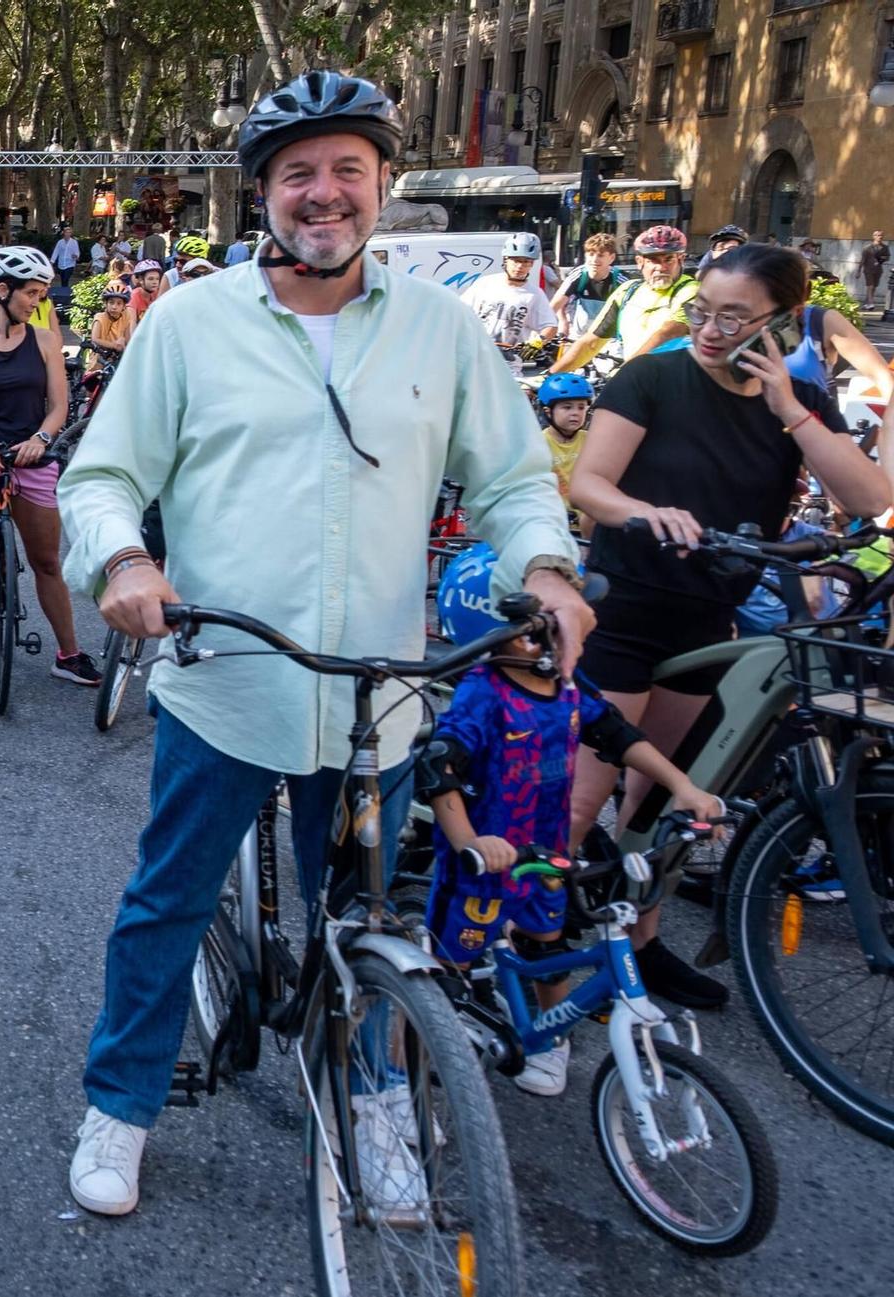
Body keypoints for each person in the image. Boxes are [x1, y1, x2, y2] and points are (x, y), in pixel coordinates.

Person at [55, 70, 586, 1217]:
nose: (323, 192)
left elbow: (508, 480)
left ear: (382, 184)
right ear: (263, 194)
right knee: (167, 901)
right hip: (224, 679)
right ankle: (121, 1104)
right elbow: (100, 477)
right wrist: (124, 563)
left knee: (369, 918)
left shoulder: (440, 329)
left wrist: (544, 569)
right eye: (297, 172)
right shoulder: (189, 322)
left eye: (347, 167)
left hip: (376, 699)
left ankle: (374, 1099)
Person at [566, 242, 893, 1009]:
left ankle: (640, 945)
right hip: (624, 608)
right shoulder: (652, 377)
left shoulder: (793, 400)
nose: (710, 331)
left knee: (661, 803)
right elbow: (589, 485)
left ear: (782, 321)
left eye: (734, 318)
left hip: (709, 618)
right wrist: (647, 513)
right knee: (579, 805)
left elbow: (871, 499)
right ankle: (528, 950)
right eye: (701, 312)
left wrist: (790, 410)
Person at [416, 629, 721, 1095]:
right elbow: (440, 765)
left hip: (548, 852)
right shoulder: (484, 691)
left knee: (547, 945)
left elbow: (616, 734)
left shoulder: (568, 682)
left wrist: (683, 786)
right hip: (486, 863)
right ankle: (405, 1064)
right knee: (446, 968)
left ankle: (549, 1040)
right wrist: (469, 842)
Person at [0, 245, 101, 690]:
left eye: (41, 293)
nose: (37, 301)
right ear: (2, 290)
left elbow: (59, 407)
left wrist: (41, 440)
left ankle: (69, 653)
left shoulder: (47, 341)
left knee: (47, 561)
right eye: (31, 293)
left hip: (35, 457)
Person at [551, 226, 697, 374]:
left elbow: (669, 333)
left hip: (675, 382)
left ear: (681, 260)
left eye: (669, 259)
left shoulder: (693, 291)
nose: (661, 267)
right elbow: (591, 342)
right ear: (640, 262)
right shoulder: (628, 291)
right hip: (636, 380)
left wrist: (623, 375)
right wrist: (550, 375)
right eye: (653, 260)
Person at [460, 231, 559, 362]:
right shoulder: (484, 284)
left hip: (508, 364)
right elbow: (459, 312)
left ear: (532, 264)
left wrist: (537, 342)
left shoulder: (535, 294)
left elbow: (550, 326)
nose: (520, 266)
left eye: (526, 262)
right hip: (476, 358)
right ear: (505, 260)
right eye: (516, 260)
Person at [534, 371, 592, 524]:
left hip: (589, 521)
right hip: (553, 522)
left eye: (581, 407)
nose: (575, 413)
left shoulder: (592, 440)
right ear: (548, 412)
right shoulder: (538, 444)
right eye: (567, 407)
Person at [548, 231, 628, 343]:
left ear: (612, 258)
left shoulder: (621, 281)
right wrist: (562, 322)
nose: (594, 260)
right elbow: (554, 305)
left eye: (600, 255)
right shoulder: (578, 275)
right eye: (591, 254)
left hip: (608, 340)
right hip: (579, 337)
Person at [86, 284, 134, 370]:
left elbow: (128, 340)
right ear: (106, 303)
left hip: (118, 357)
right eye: (111, 303)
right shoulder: (100, 317)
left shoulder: (126, 317)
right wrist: (114, 345)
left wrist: (124, 343)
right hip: (100, 357)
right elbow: (95, 339)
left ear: (124, 306)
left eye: (119, 303)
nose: (114, 307)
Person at [864, 229, 889, 309]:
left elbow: (887, 257)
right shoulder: (868, 247)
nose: (879, 237)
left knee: (874, 287)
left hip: (878, 269)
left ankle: (867, 302)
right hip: (868, 269)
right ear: (873, 236)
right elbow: (863, 260)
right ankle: (871, 303)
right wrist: (858, 270)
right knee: (870, 286)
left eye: (881, 235)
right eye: (877, 235)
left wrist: (881, 259)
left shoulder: (885, 247)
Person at [53, 223, 81, 289]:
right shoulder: (60, 242)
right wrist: (52, 261)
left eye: (69, 233)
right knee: (63, 279)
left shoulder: (74, 242)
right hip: (61, 264)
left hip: (70, 264)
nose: (68, 234)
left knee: (66, 278)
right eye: (67, 232)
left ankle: (65, 291)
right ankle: (63, 290)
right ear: (64, 233)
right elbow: (56, 252)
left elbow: (77, 251)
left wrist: (76, 256)